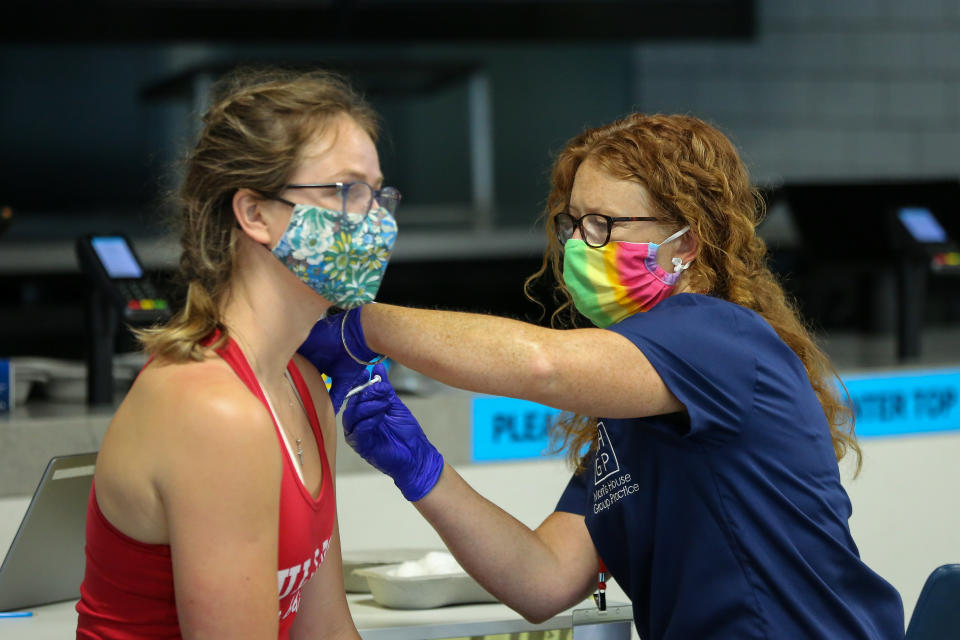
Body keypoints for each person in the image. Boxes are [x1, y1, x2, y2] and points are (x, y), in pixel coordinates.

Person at [299, 113, 905, 639]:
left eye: (604, 226)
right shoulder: (634, 412)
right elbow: (542, 580)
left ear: (686, 243)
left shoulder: (718, 335)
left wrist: (361, 323)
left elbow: (546, 365)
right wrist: (417, 466)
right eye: (573, 224)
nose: (580, 247)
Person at [76, 68, 400, 639]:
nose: (376, 221)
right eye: (347, 191)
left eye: (379, 194)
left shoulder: (300, 385)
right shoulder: (213, 410)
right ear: (254, 214)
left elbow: (324, 632)